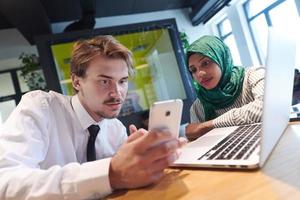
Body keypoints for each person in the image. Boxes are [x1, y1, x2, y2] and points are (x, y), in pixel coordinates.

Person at [0, 35, 186, 199]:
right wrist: (111, 173)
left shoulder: (116, 129)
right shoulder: (40, 108)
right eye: (104, 81)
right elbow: (5, 183)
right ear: (76, 81)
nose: (117, 93)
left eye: (122, 81)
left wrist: (141, 163)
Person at [185, 35, 264, 140]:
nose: (199, 74)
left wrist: (207, 126)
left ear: (221, 57)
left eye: (205, 63)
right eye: (193, 70)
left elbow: (267, 108)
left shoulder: (253, 75)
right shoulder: (198, 107)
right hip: (226, 154)